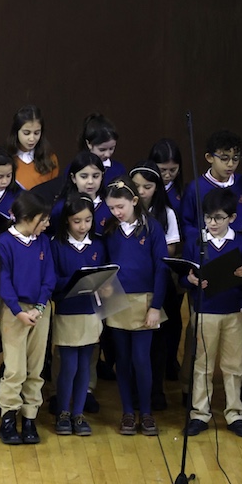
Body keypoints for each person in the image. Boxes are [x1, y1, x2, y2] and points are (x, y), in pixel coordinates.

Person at [182, 188, 242, 437]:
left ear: (232, 218)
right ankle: (200, 414)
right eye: (208, 217)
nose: (212, 223)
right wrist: (190, 280)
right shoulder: (196, 243)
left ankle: (235, 414)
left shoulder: (241, 243)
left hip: (234, 310)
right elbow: (184, 276)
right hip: (205, 310)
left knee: (233, 365)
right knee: (203, 364)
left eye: (219, 218)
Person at [102, 177, 169, 436]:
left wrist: (156, 306)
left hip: (144, 301)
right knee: (122, 359)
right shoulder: (110, 230)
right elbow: (105, 265)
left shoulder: (152, 228)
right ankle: (128, 412)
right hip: (118, 300)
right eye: (111, 208)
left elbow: (161, 268)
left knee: (141, 359)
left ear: (134, 200)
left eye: (120, 206)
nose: (116, 212)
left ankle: (147, 412)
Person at [0, 192, 54, 444]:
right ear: (28, 218)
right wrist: (18, 311)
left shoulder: (43, 242)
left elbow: (49, 276)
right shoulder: (4, 242)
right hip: (14, 311)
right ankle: (8, 418)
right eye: (43, 219)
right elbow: (4, 280)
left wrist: (39, 307)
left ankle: (30, 418)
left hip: (39, 310)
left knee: (36, 367)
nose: (47, 224)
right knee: (15, 368)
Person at [50, 195, 106, 437]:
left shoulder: (98, 245)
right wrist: (74, 281)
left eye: (88, 220)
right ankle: (63, 412)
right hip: (67, 311)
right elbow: (52, 280)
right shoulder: (56, 245)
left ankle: (78, 413)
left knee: (85, 365)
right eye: (77, 221)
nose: (83, 226)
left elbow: (105, 275)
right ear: (67, 221)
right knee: (68, 366)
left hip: (90, 311)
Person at [131, 161, 182, 410]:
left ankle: (156, 390)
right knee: (133, 340)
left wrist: (148, 251)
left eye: (147, 186)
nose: (141, 191)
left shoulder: (166, 212)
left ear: (157, 188)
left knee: (158, 340)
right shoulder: (125, 210)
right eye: (136, 186)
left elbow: (171, 248)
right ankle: (134, 392)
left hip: (160, 280)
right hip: (133, 283)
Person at [181, 130, 242, 236]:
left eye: (235, 159)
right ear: (210, 157)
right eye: (224, 158)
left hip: (239, 243)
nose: (230, 164)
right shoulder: (195, 188)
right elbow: (186, 224)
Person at [51, 153, 111, 236]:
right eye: (84, 176)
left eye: (95, 176)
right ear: (73, 178)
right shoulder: (61, 207)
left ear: (102, 176)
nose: (90, 181)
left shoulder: (110, 205)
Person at [8, 105, 57, 190]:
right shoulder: (6, 158)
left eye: (36, 133)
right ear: (16, 132)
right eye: (26, 133)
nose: (32, 139)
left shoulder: (50, 159)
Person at [78, 112, 125, 183]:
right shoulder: (76, 168)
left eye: (111, 148)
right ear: (89, 144)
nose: (107, 154)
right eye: (102, 150)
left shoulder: (119, 169)